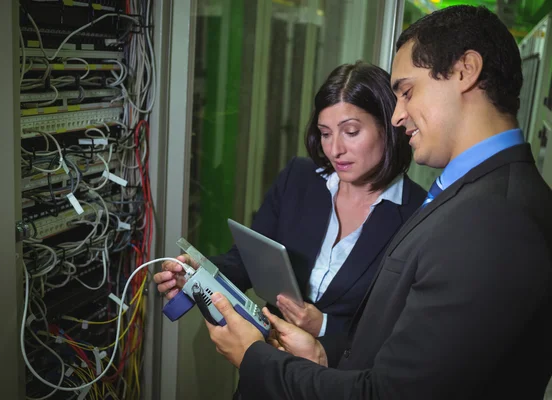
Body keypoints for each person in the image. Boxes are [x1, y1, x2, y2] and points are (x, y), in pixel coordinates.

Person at [203, 5, 552, 400]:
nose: (398, 115)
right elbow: (405, 355)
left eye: (406, 91)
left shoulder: (493, 221)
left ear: (464, 71)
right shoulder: (473, 195)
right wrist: (320, 354)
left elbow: (392, 392)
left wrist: (253, 357)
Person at [154, 61, 426, 337]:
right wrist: (202, 272)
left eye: (351, 132)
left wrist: (323, 327)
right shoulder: (299, 179)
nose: (335, 149)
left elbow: (404, 332)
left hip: (343, 377)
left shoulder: (419, 214)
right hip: (268, 361)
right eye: (325, 133)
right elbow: (247, 262)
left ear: (389, 126)